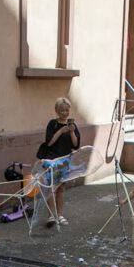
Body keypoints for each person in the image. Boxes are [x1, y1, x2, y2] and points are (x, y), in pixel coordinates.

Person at [41, 97, 80, 226]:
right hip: (52, 160)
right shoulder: (53, 124)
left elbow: (75, 145)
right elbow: (49, 143)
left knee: (61, 189)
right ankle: (51, 215)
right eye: (62, 110)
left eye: (67, 110)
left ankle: (59, 215)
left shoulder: (72, 125)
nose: (65, 113)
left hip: (65, 161)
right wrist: (60, 131)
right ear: (57, 111)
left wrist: (72, 132)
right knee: (50, 188)